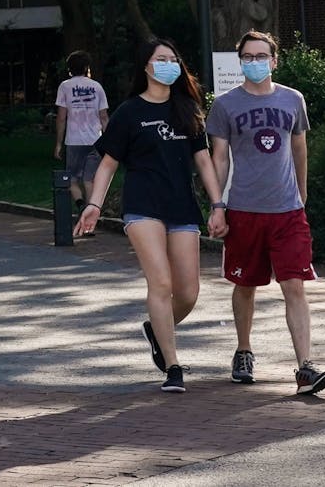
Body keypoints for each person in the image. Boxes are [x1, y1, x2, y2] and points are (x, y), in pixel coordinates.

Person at [74, 38, 227, 393]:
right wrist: (94, 204)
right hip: (142, 206)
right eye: (161, 59)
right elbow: (109, 163)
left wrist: (218, 205)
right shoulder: (129, 113)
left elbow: (203, 160)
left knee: (188, 292)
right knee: (161, 284)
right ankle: (173, 367)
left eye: (173, 59)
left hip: (181, 205)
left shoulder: (187, 109)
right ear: (146, 66)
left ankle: (157, 329)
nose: (169, 65)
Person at [207, 30, 325, 396]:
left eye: (261, 55)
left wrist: (302, 192)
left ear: (274, 60)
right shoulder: (226, 105)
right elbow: (218, 158)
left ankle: (305, 368)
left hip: (287, 211)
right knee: (245, 285)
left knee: (294, 286)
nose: (254, 62)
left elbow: (300, 147)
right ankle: (244, 350)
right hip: (244, 210)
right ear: (240, 61)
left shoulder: (292, 99)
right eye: (248, 57)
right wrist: (217, 204)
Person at [53, 50, 109, 217]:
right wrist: (109, 141)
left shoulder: (65, 87)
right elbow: (104, 116)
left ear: (69, 68)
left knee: (72, 179)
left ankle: (81, 205)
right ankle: (91, 217)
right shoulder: (97, 87)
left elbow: (61, 117)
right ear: (86, 67)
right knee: (89, 179)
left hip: (74, 140)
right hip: (95, 139)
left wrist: (58, 143)